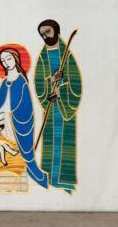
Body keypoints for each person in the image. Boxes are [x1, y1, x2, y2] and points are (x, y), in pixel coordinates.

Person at [33, 20, 82, 192]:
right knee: (51, 143)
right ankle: (51, 178)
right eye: (42, 34)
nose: (45, 36)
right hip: (51, 108)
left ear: (56, 30)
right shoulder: (42, 57)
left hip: (64, 106)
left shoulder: (66, 55)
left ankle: (64, 179)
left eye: (48, 31)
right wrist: (50, 83)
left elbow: (75, 83)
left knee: (64, 142)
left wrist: (61, 89)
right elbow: (39, 83)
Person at [0, 47, 49, 188]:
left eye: (8, 58)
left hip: (21, 123)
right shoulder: (5, 82)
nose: (6, 63)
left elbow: (22, 106)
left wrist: (4, 116)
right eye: (3, 61)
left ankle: (39, 177)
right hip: (7, 123)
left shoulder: (21, 81)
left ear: (15, 59)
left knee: (26, 154)